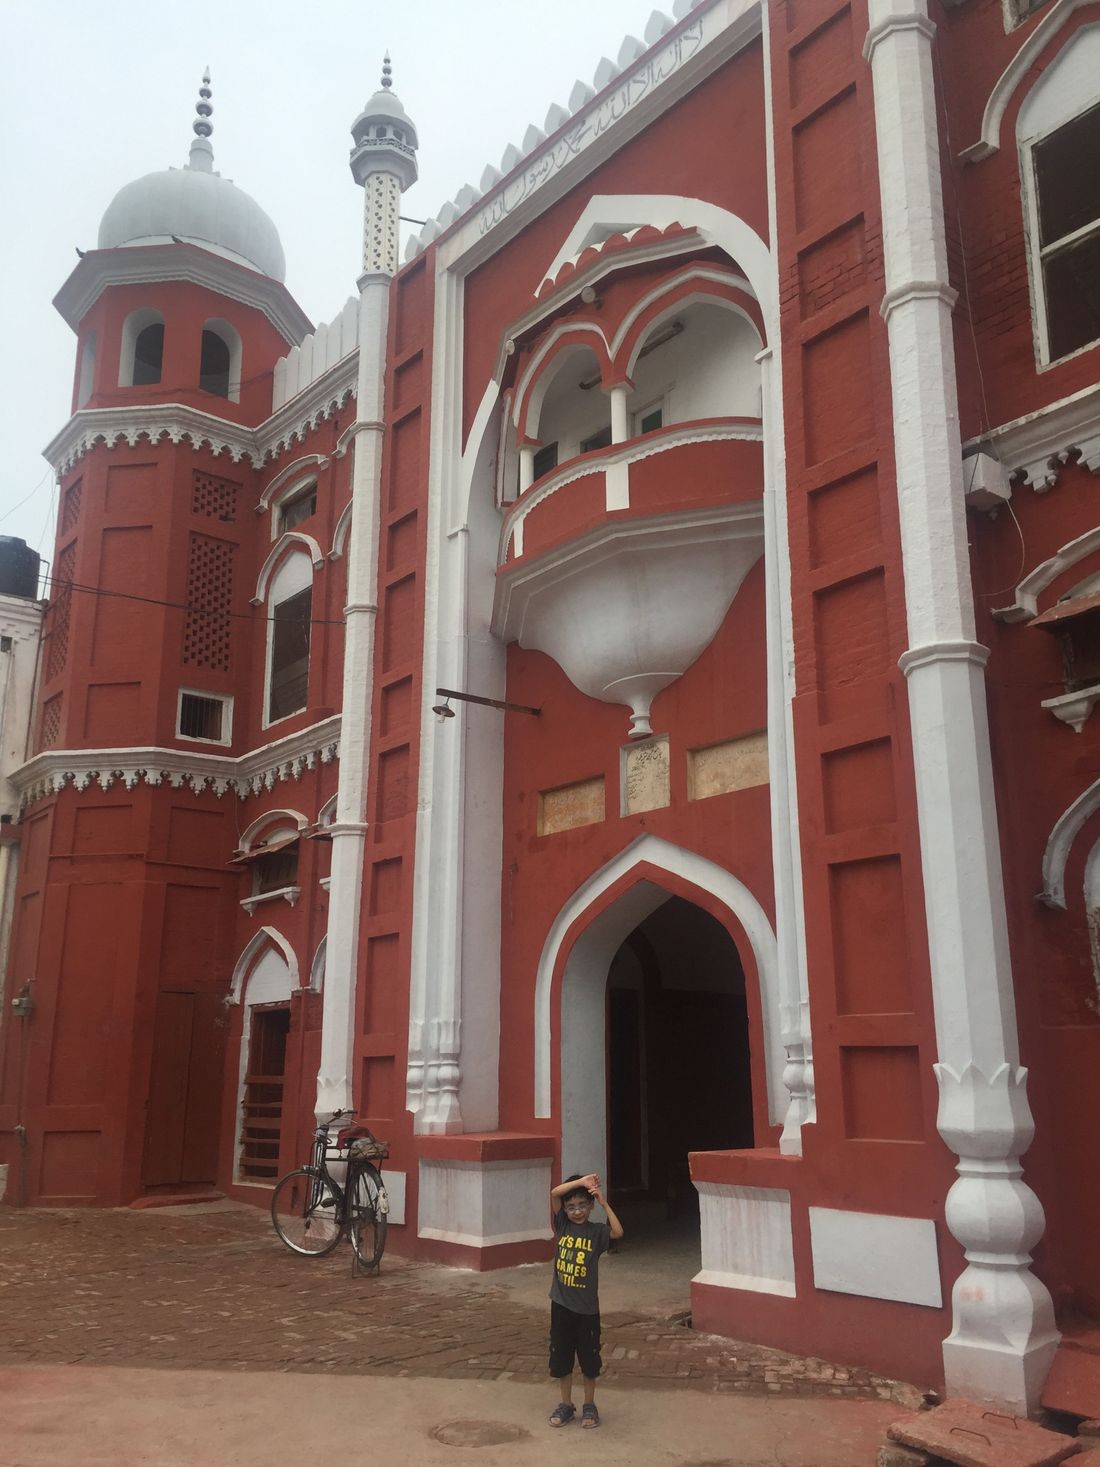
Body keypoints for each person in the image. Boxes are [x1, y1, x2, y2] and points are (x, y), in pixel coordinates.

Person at [547, 1171, 624, 1430]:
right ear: (564, 1210)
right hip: (561, 1306)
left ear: (590, 1207)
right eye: (571, 1207)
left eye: (582, 1205)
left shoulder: (597, 1232)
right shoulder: (562, 1225)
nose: (577, 1211)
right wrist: (581, 1183)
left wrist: (603, 1202)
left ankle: (589, 1404)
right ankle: (566, 1404)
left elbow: (618, 1232)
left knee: (589, 1361)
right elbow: (555, 1193)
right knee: (562, 1358)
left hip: (587, 1311)